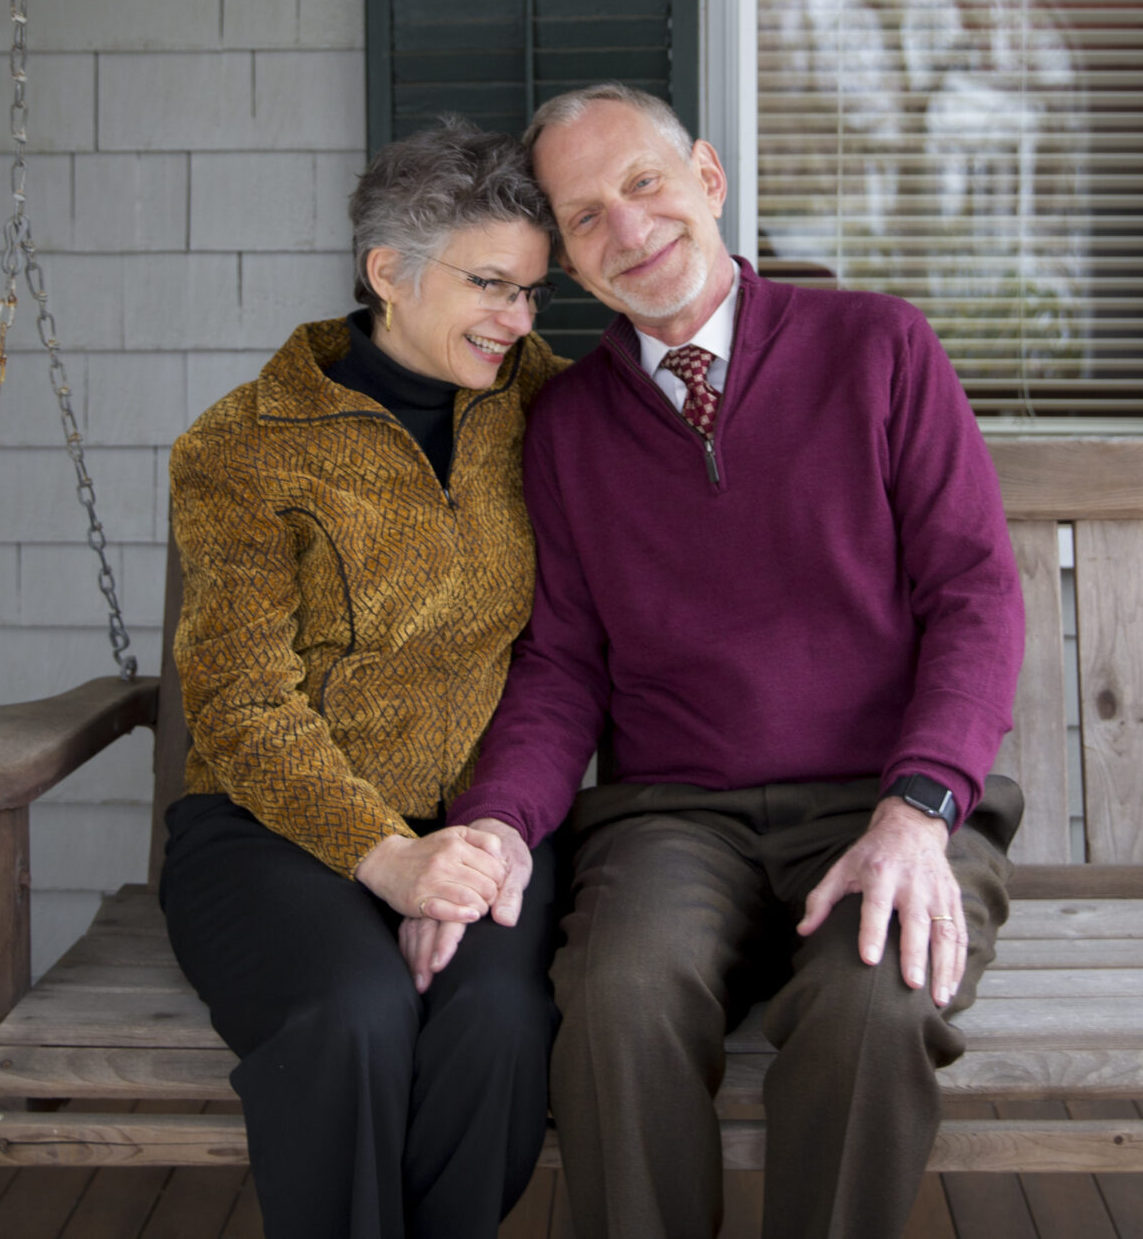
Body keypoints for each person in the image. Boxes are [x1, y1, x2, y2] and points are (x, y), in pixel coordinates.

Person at [418, 83, 1027, 1239]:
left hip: (882, 800)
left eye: (642, 184)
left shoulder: (878, 348)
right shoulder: (566, 428)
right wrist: (497, 822)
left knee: (875, 1011)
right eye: (584, 216)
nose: (628, 230)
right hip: (672, 818)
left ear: (706, 177)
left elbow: (975, 598)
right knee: (613, 998)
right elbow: (561, 667)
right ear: (564, 260)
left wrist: (918, 808)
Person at [159, 119, 569, 1239]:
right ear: (389, 272)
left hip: (487, 825)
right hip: (268, 832)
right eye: (492, 286)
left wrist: (470, 844)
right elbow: (241, 704)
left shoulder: (553, 407)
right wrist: (386, 856)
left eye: (534, 294)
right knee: (352, 1015)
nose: (519, 322)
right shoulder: (243, 448)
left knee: (496, 1021)